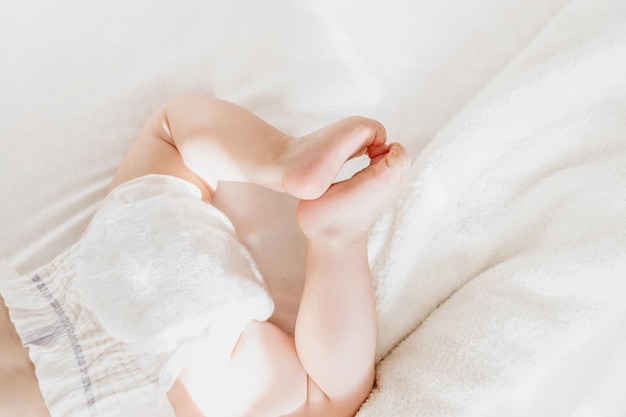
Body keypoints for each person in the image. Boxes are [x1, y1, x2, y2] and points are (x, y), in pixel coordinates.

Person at [0, 96, 410, 417]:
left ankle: (336, 235)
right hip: (109, 270)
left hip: (188, 392)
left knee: (326, 401)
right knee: (171, 134)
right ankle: (286, 160)